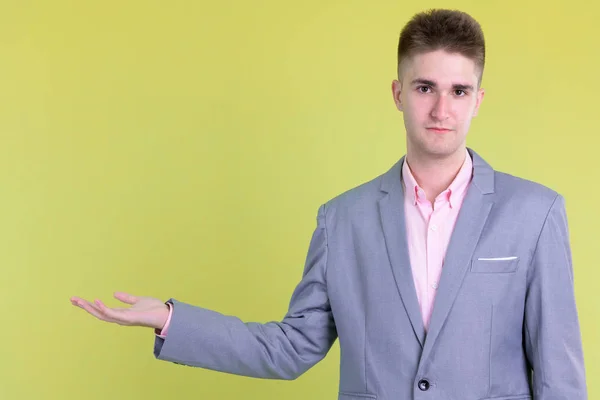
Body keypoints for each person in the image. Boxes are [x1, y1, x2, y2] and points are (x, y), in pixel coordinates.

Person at [70, 8, 588, 399]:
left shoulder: (535, 214)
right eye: (425, 87)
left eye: (459, 91)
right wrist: (168, 318)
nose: (440, 108)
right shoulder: (343, 220)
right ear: (398, 92)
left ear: (478, 100)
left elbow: (560, 377)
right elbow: (292, 347)